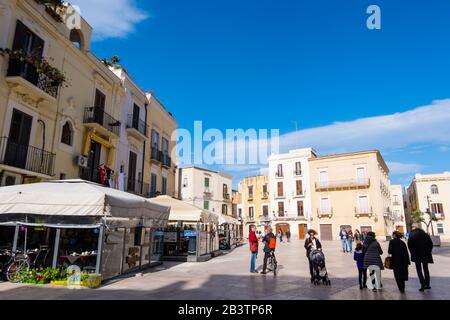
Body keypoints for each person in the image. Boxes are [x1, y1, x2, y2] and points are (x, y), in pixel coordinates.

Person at [408, 223, 433, 292]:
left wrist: (412, 252)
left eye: (412, 227)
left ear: (414, 227)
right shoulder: (425, 234)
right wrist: (428, 251)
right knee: (426, 269)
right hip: (425, 254)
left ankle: (423, 284)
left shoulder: (412, 234)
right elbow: (430, 244)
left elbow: (409, 245)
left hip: (416, 255)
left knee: (419, 270)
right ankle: (427, 284)